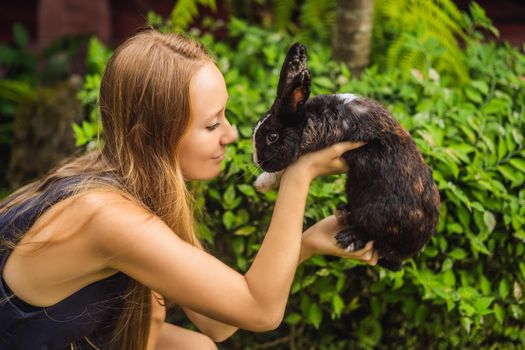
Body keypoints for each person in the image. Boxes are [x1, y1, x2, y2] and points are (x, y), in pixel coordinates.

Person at [0, 30, 378, 350]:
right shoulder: (108, 218)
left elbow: (218, 323)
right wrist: (299, 172)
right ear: (150, 135)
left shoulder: (135, 182)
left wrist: (307, 243)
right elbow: (260, 310)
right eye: (213, 125)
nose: (230, 135)